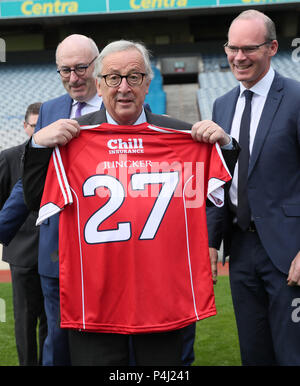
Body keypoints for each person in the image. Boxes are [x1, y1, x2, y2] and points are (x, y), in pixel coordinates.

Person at [22, 40, 239, 366]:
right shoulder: (70, 139)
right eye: (113, 78)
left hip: (162, 298)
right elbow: (37, 198)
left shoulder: (184, 137)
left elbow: (213, 196)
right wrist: (38, 145)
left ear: (148, 83)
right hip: (96, 298)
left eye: (134, 77)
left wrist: (226, 146)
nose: (123, 87)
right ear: (99, 83)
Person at [206, 9, 300, 365]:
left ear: (273, 47)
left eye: (249, 48)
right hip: (241, 250)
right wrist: (210, 243)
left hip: (289, 250)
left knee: (292, 354)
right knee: (254, 354)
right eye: (232, 47)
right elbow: (219, 180)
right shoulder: (222, 104)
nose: (238, 57)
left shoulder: (296, 97)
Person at [0, 102, 47, 366]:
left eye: (42, 126)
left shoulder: (59, 155)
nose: (37, 131)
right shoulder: (8, 157)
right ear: (24, 126)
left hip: (55, 253)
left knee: (52, 320)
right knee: (25, 320)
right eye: (33, 126)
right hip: (22, 255)